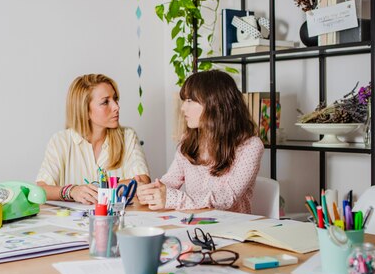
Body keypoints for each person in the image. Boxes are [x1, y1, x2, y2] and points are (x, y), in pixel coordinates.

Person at [137, 69, 263, 213]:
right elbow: (170, 181)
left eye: (190, 101)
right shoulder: (188, 141)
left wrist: (172, 199)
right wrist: (151, 191)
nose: (183, 108)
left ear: (215, 104)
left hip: (231, 229)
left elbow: (228, 197)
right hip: (194, 224)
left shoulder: (251, 146)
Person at [36, 74, 150, 204]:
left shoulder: (128, 137)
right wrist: (72, 191)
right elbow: (41, 189)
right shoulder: (60, 141)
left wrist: (100, 190)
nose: (116, 107)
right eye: (105, 102)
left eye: (115, 99)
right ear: (84, 110)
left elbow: (142, 181)